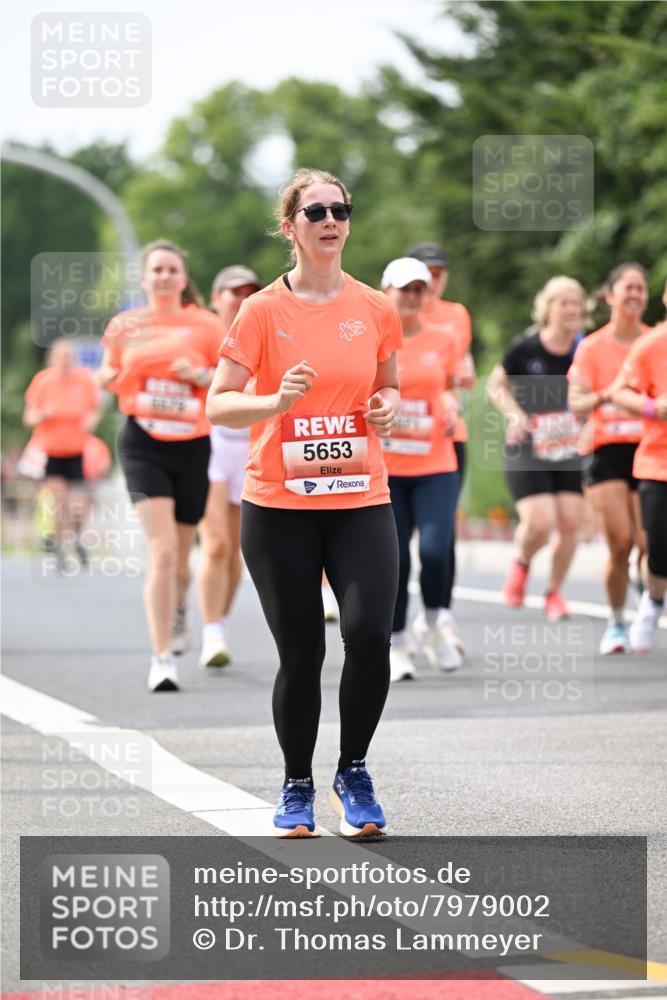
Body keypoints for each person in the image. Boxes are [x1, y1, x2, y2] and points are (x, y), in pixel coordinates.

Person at [207, 168, 403, 838]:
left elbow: (389, 383)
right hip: (278, 506)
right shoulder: (261, 311)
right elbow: (219, 404)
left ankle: (354, 771)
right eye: (315, 211)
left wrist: (386, 407)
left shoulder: (375, 307)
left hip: (359, 496)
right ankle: (296, 784)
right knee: (302, 653)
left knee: (369, 635)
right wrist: (274, 401)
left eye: (340, 210)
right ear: (289, 227)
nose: (330, 221)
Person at [97, 239, 221, 692]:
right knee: (163, 551)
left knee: (182, 560)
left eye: (172, 269)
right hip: (143, 442)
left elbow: (231, 379)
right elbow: (105, 374)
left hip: (193, 445)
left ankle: (179, 606)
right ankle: (162, 657)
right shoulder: (125, 325)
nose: (165, 276)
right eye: (157, 270)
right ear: (144, 278)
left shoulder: (206, 325)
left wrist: (201, 375)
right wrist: (112, 377)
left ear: (183, 278)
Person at [379, 257, 462, 681]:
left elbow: (448, 387)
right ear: (386, 292)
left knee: (434, 550)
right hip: (386, 468)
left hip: (435, 463)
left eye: (419, 289)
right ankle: (395, 643)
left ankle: (431, 625)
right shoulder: (371, 338)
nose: (412, 297)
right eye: (404, 289)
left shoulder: (443, 339)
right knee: (395, 560)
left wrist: (452, 405)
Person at [487, 277, 588, 619]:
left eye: (576, 303)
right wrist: (515, 415)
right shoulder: (525, 348)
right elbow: (496, 384)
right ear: (547, 309)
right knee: (540, 523)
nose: (571, 309)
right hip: (528, 446)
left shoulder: (585, 349)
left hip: (569, 448)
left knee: (571, 522)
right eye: (564, 303)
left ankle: (554, 593)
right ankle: (522, 563)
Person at [568, 263, 650, 654]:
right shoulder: (592, 347)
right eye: (627, 287)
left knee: (651, 543)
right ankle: (617, 623)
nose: (634, 294)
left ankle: (648, 595)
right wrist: (608, 395)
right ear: (610, 295)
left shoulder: (655, 342)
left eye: (640, 288)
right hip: (606, 451)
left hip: (650, 450)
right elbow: (576, 402)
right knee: (621, 542)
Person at [406, 243, 475, 654]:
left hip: (445, 438)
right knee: (396, 542)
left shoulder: (456, 315)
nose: (432, 281)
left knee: (440, 534)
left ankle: (440, 614)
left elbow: (459, 371)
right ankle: (393, 629)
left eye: (438, 273)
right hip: (396, 448)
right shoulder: (386, 313)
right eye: (425, 273)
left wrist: (457, 393)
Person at [197, 265, 262, 668]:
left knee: (238, 552)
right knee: (216, 544)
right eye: (233, 292)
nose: (241, 299)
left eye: (249, 292)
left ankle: (219, 624)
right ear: (215, 298)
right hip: (210, 446)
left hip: (251, 448)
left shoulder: (264, 331)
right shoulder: (203, 334)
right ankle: (211, 634)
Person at [611, 281, 667, 653]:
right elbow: (619, 391)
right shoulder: (651, 344)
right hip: (658, 463)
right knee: (659, 549)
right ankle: (654, 600)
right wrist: (651, 407)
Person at [23, 338, 102, 569]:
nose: (65, 361)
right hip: (50, 450)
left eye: (68, 357)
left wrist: (91, 421)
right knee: (60, 500)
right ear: (52, 359)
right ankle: (58, 545)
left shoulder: (85, 380)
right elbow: (28, 417)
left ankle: (76, 537)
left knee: (79, 503)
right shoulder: (43, 381)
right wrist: (42, 416)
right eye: (60, 357)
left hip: (77, 449)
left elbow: (96, 409)